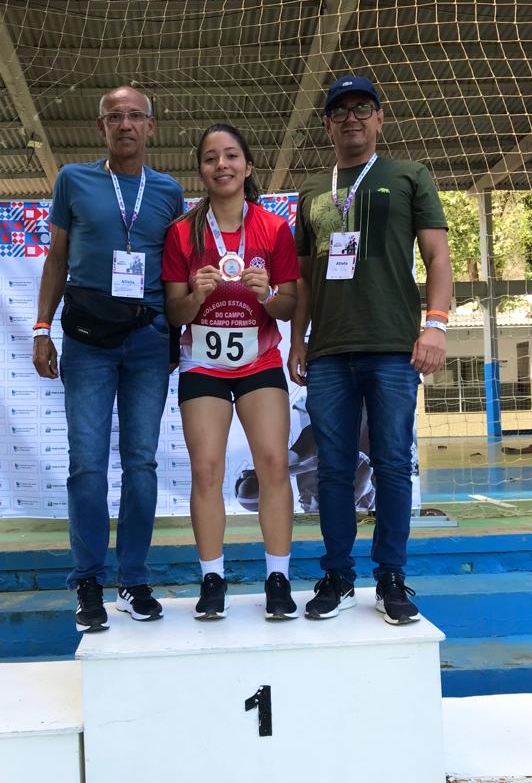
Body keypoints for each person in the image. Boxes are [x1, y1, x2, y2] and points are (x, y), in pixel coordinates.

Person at [289, 75, 453, 625]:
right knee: (333, 470)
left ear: (380, 118)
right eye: (340, 111)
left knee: (392, 466)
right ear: (327, 124)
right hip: (329, 351)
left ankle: (391, 578)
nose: (352, 118)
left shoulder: (409, 176)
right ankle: (337, 576)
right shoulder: (313, 189)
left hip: (393, 348)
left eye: (363, 108)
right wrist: (299, 339)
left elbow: (438, 257)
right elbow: (304, 277)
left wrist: (436, 326)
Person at [33, 86, 184, 632]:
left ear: (151, 127)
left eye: (135, 116)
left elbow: (176, 269)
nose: (125, 124)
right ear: (101, 128)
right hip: (89, 340)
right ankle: (89, 581)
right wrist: (41, 328)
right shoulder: (73, 180)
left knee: (141, 463)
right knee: (87, 464)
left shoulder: (168, 191)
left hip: (148, 340)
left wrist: (175, 335)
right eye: (114, 116)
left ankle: (134, 579)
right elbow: (57, 258)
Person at [162, 124, 299, 620]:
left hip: (259, 360)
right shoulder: (183, 232)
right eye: (211, 158)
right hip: (203, 363)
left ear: (248, 166)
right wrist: (195, 297)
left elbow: (289, 305)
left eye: (231, 156)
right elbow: (174, 313)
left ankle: (278, 578)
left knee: (274, 464)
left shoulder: (274, 228)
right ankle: (212, 578)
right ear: (201, 170)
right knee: (206, 469)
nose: (222, 165)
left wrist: (269, 295)